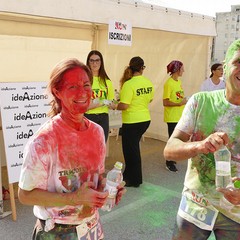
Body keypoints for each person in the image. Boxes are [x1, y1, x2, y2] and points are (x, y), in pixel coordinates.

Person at [18, 58, 125, 240]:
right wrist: (75, 198)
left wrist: (106, 188)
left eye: (86, 85)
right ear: (57, 92)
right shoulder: (44, 140)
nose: (83, 93)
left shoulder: (97, 132)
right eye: (73, 87)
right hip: (56, 231)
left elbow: (95, 177)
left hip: (91, 227)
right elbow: (25, 195)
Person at [163, 39, 240, 239]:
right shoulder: (201, 101)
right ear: (224, 67)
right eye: (238, 61)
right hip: (196, 205)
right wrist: (200, 145)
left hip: (236, 215)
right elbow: (170, 149)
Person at [117, 56, 154, 188]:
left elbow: (124, 105)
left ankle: (134, 179)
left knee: (130, 151)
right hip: (145, 119)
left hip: (132, 121)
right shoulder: (148, 82)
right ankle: (130, 176)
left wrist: (115, 105)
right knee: (134, 149)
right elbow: (149, 100)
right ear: (142, 68)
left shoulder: (129, 84)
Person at [85, 50, 116, 142]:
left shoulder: (107, 82)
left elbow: (113, 103)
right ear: (88, 62)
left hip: (103, 118)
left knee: (102, 146)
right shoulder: (84, 80)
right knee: (88, 146)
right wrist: (102, 101)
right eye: (92, 60)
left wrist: (98, 101)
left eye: (97, 60)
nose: (95, 63)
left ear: (101, 62)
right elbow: (85, 106)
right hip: (89, 118)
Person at [163, 60, 187, 172]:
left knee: (177, 139)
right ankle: (168, 162)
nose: (183, 71)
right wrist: (179, 103)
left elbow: (178, 97)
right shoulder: (169, 84)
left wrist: (183, 101)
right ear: (177, 70)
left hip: (179, 116)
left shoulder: (178, 82)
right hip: (172, 116)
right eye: (182, 69)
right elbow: (165, 102)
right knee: (172, 140)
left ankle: (172, 158)